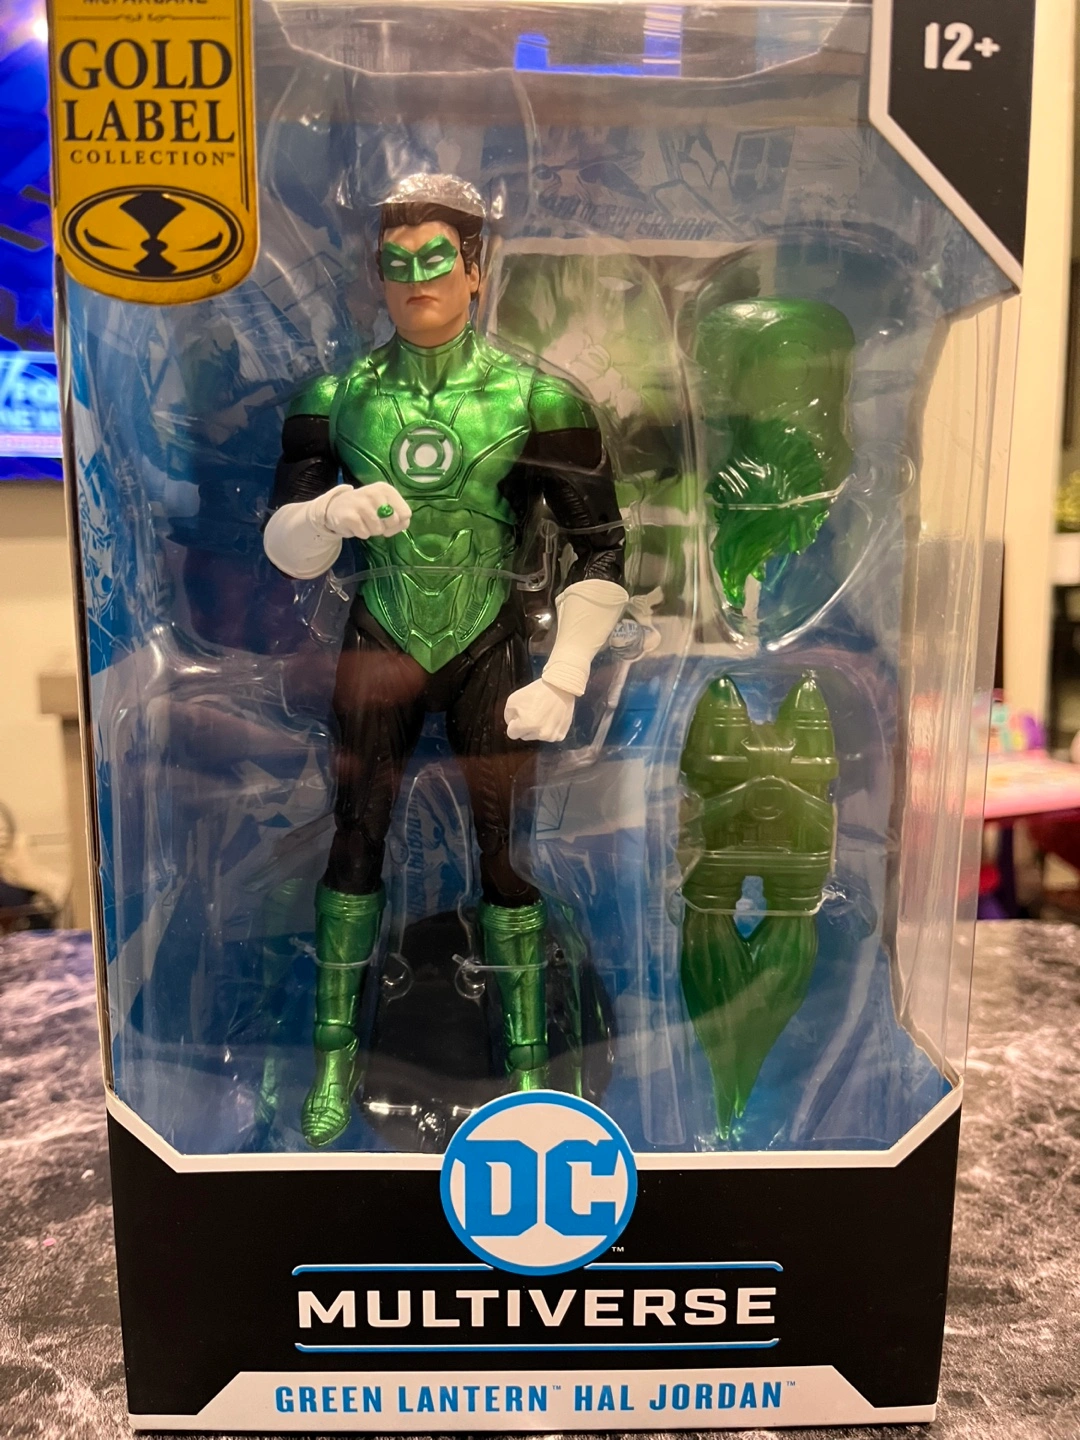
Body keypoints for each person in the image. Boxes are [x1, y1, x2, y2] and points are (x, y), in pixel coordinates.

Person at [263, 173, 627, 1145]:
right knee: (354, 839)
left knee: (507, 856)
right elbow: (285, 547)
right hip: (381, 631)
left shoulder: (537, 397)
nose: (416, 278)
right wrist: (329, 514)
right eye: (397, 262)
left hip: (490, 640)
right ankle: (333, 1060)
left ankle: (528, 1073)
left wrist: (565, 675)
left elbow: (601, 549)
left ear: (476, 269)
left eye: (435, 258)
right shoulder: (338, 398)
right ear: (376, 273)